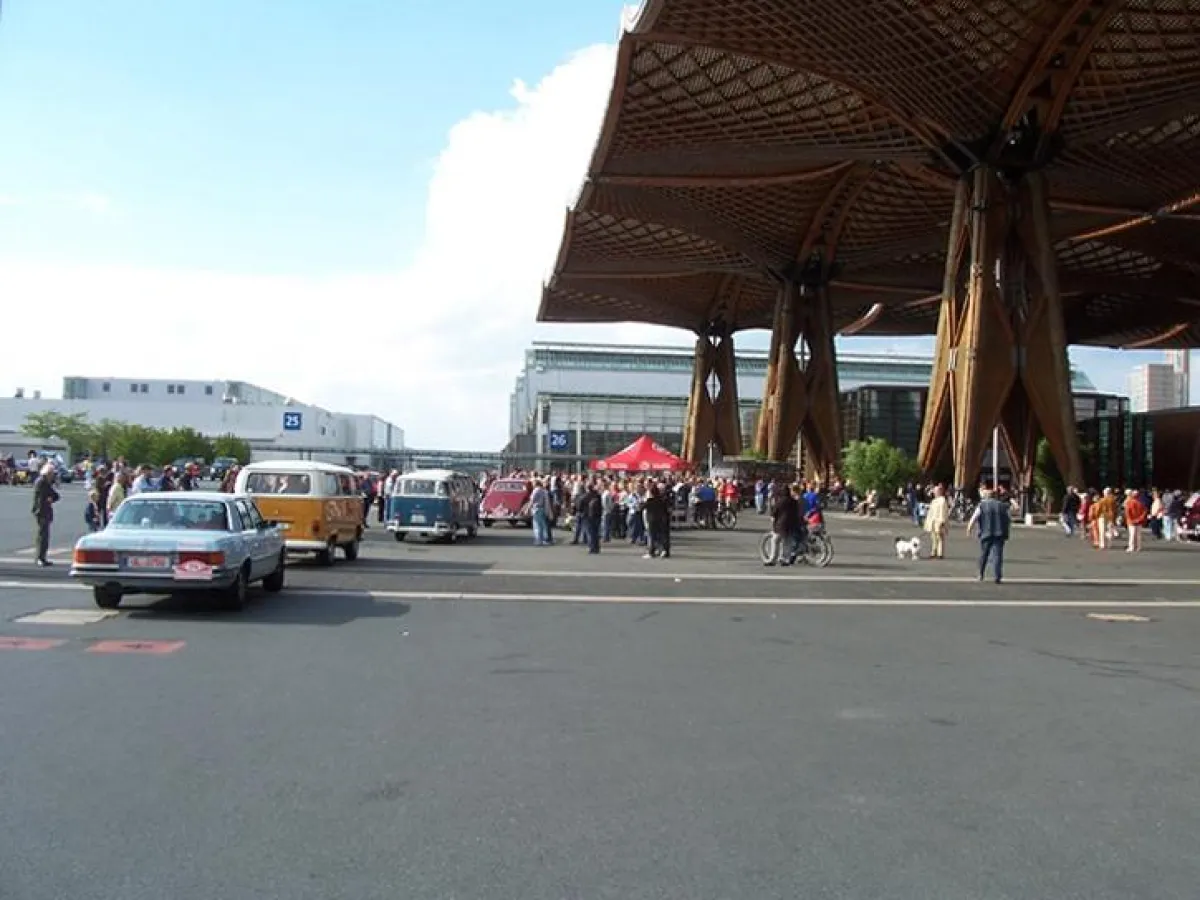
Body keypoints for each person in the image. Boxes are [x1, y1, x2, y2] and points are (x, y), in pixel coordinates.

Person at [967, 487, 1011, 584]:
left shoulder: (982, 505)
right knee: (997, 556)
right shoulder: (1002, 506)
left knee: (984, 554)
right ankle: (997, 576)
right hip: (999, 533)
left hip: (986, 533)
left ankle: (980, 574)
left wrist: (969, 528)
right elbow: (1008, 519)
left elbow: (974, 517)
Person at [30, 463, 60, 567]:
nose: (52, 476)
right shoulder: (42, 482)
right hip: (41, 511)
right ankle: (40, 557)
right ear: (47, 473)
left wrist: (51, 498)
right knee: (42, 536)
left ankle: (42, 557)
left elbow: (56, 496)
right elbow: (43, 498)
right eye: (51, 474)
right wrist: (50, 498)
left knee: (44, 536)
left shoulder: (46, 482)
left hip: (45, 511)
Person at [924, 484, 949, 559]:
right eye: (934, 491)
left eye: (936, 491)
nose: (934, 493)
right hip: (933, 521)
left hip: (939, 521)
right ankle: (933, 552)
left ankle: (940, 553)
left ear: (940, 492)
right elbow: (931, 512)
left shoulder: (942, 500)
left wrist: (942, 522)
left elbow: (943, 512)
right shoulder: (934, 500)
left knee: (940, 537)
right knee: (933, 537)